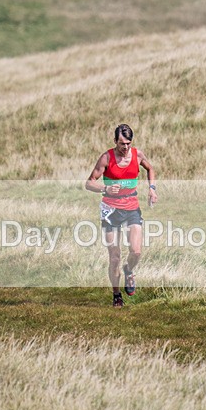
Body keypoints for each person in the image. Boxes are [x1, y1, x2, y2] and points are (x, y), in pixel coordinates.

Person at [85, 124, 157, 307]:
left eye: (128, 143)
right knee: (114, 256)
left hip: (132, 206)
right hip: (111, 210)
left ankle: (129, 270)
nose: (125, 148)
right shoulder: (106, 158)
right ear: (115, 141)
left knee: (136, 251)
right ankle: (117, 295)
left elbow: (150, 169)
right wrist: (105, 188)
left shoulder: (137, 155)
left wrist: (152, 189)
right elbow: (89, 182)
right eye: (121, 143)